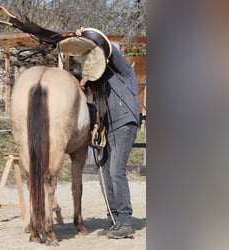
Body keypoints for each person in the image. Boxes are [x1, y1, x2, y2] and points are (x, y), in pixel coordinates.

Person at [75, 27, 140, 239]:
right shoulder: (99, 81)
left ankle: (125, 221)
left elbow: (110, 50)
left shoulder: (123, 70)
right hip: (108, 128)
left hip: (125, 123)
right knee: (104, 173)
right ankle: (114, 219)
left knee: (115, 171)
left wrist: (89, 37)